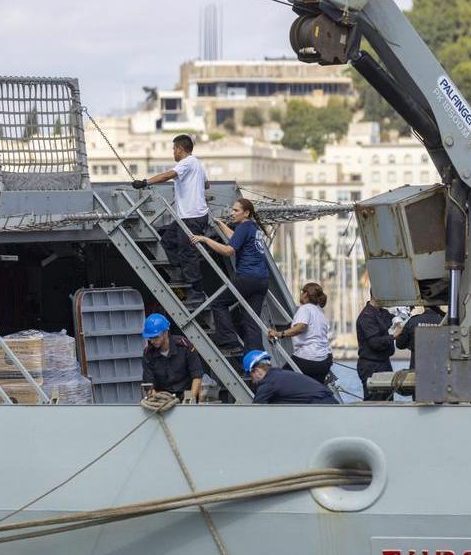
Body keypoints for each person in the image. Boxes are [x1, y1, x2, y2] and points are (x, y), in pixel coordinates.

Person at [132, 134, 210, 305]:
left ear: (180, 149)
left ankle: (197, 292)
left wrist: (145, 182)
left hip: (192, 216)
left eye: (174, 148)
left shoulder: (187, 162)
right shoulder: (197, 164)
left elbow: (167, 176)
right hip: (188, 216)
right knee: (167, 239)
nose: (173, 152)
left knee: (188, 253)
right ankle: (183, 270)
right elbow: (207, 185)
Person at [189, 198, 270, 353]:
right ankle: (257, 361)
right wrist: (221, 224)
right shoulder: (252, 227)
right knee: (251, 321)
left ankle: (229, 341)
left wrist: (205, 239)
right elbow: (236, 237)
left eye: (236, 210)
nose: (232, 213)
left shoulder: (243, 226)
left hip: (247, 277)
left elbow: (228, 250)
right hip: (262, 280)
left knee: (218, 303)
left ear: (246, 213)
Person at [268, 283, 333, 385]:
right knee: (315, 388)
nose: (300, 295)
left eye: (302, 292)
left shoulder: (305, 308)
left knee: (279, 380)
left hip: (307, 358)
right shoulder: (320, 312)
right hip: (324, 361)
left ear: (306, 295)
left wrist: (279, 334)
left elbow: (301, 327)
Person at [140, 313, 203, 401]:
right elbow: (149, 385)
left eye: (155, 337)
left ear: (166, 332)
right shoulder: (148, 354)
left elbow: (197, 376)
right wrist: (156, 399)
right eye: (150, 338)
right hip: (162, 399)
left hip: (185, 395)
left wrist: (190, 399)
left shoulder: (185, 346)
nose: (152, 341)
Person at [244, 350, 337, 405]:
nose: (252, 380)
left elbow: (255, 410)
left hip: (321, 405)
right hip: (330, 401)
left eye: (250, 375)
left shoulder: (268, 382)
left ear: (256, 370)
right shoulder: (280, 374)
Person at [355, 296, 395, 400]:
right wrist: (393, 336)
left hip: (384, 363)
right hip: (371, 365)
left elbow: (394, 321)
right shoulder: (366, 316)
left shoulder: (383, 313)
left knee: (388, 399)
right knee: (374, 401)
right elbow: (375, 342)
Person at [394, 305, 445, 370]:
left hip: (417, 368)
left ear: (423, 306)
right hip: (441, 367)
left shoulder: (413, 321)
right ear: (440, 305)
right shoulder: (446, 321)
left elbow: (400, 345)